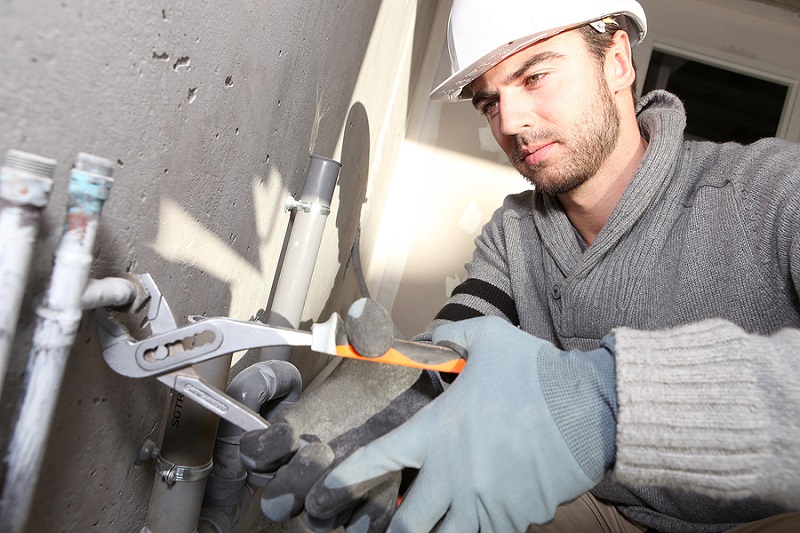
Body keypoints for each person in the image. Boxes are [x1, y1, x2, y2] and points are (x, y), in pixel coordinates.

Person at [242, 0, 800, 531]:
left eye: (534, 77)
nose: (509, 122)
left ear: (617, 62)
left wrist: (607, 398)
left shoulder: (772, 191)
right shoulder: (515, 233)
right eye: (489, 102)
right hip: (601, 504)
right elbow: (454, 346)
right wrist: (380, 400)